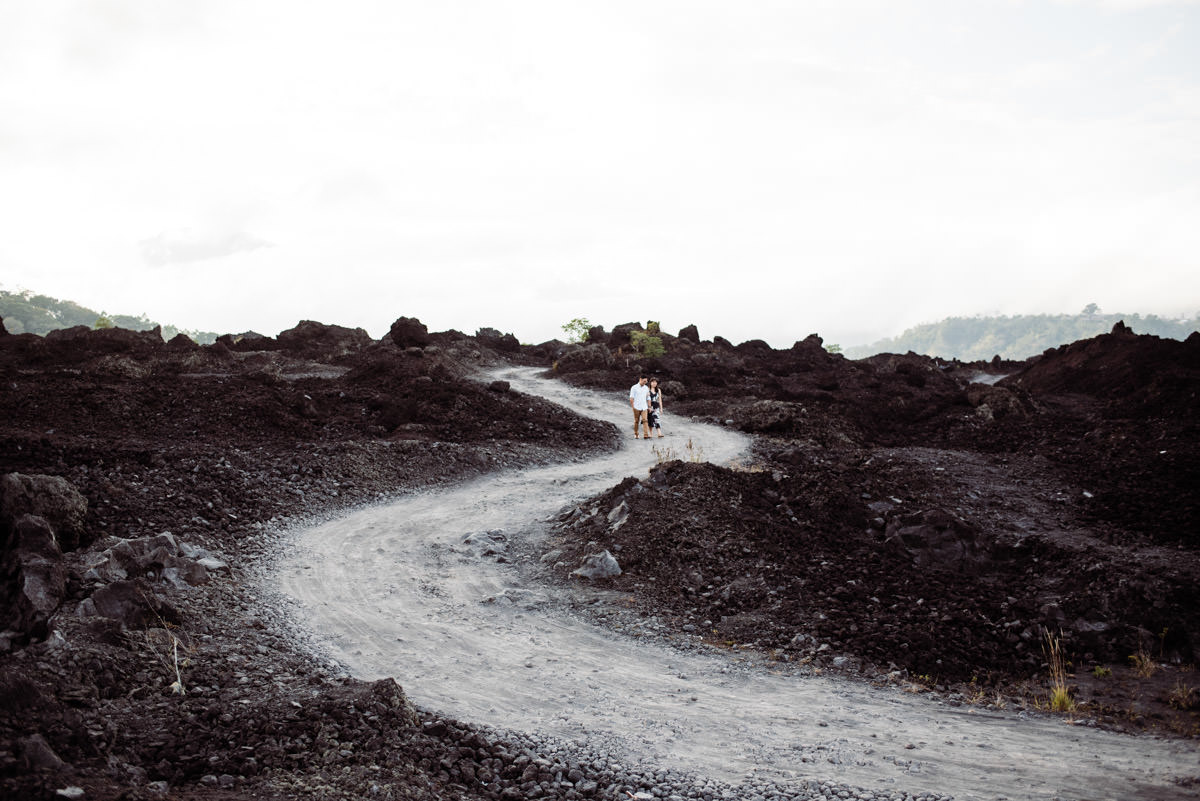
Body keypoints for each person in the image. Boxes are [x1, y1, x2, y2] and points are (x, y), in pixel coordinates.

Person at [628, 374, 651, 439]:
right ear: (640, 380)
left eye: (646, 381)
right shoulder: (634, 387)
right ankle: (636, 434)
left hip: (644, 407)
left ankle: (645, 435)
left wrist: (649, 407)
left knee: (645, 420)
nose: (645, 382)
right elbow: (631, 398)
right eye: (644, 381)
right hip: (636, 407)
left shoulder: (646, 388)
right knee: (636, 421)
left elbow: (648, 398)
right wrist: (633, 407)